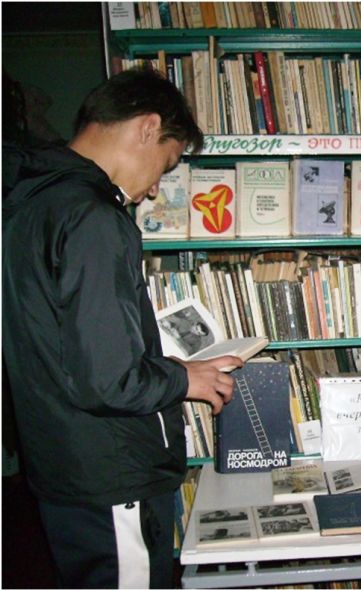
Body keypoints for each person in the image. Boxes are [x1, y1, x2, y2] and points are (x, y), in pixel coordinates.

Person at [2, 68, 243, 589]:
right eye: (166, 164)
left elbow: (68, 349)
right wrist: (185, 378)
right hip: (110, 473)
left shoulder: (28, 202)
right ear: (147, 127)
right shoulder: (92, 217)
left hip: (65, 461)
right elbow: (108, 380)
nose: (155, 189)